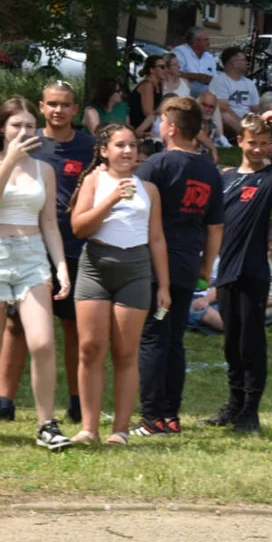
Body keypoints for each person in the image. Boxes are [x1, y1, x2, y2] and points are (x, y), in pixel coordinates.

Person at [0, 96, 73, 451]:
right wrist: (9, 161)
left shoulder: (45, 170)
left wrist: (62, 267)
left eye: (29, 125)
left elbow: (50, 223)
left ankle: (47, 425)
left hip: (32, 257)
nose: (24, 132)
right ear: (3, 129)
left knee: (42, 342)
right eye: (16, 126)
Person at [0, 81, 94, 423]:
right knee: (16, 326)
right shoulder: (26, 142)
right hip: (27, 246)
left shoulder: (89, 147)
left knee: (72, 327)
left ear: (75, 109)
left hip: (75, 248)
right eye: (52, 104)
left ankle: (77, 400)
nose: (58, 110)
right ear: (41, 105)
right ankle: (3, 401)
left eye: (65, 105)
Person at [68, 125, 170, 446]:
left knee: (125, 353)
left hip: (135, 271)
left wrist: (164, 285)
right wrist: (111, 199)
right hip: (95, 268)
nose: (127, 151)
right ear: (104, 150)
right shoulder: (94, 181)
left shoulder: (149, 190)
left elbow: (156, 239)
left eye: (132, 146)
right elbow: (78, 228)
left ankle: (121, 431)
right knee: (90, 350)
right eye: (120, 145)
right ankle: (88, 429)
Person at [203, 110, 272, 433]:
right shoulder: (227, 178)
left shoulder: (270, 175)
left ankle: (251, 411)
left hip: (254, 272)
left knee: (251, 343)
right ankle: (233, 405)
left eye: (263, 143)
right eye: (252, 143)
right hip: (227, 271)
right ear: (239, 142)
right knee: (231, 342)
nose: (258, 149)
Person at [135, 96, 223, 436]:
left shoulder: (156, 165)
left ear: (170, 128)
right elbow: (216, 226)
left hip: (155, 265)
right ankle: (170, 415)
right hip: (187, 265)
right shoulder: (210, 170)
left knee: (153, 338)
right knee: (174, 340)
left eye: (160, 121)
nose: (159, 127)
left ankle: (152, 417)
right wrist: (206, 266)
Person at [209, 48, 260, 139]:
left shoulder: (249, 83)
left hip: (246, 119)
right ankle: (249, 136)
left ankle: (255, 135)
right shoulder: (220, 81)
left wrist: (251, 121)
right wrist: (241, 121)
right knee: (225, 116)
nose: (246, 63)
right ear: (234, 64)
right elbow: (223, 107)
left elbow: (255, 108)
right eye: (244, 60)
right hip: (230, 120)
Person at [172, 26, 218, 97]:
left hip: (207, 90)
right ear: (194, 43)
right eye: (205, 40)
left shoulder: (209, 57)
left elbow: (215, 78)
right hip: (185, 89)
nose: (208, 42)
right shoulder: (180, 52)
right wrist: (197, 77)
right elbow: (174, 73)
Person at [128, 56, 165, 138]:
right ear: (152, 70)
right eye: (162, 67)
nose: (165, 70)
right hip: (139, 124)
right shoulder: (148, 84)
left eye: (166, 67)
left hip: (151, 124)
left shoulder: (159, 84)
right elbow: (148, 112)